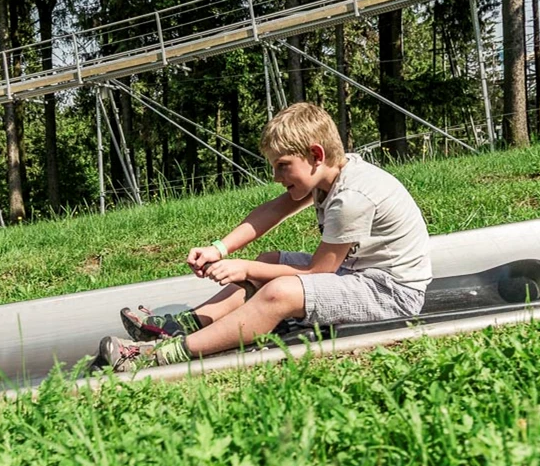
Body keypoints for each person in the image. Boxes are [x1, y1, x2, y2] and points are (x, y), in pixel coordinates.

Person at [97, 101, 433, 372]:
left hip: (391, 293)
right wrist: (219, 248)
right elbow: (272, 211)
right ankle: (186, 323)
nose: (276, 176)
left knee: (279, 292)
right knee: (268, 261)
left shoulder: (353, 198)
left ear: (316, 155)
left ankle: (164, 354)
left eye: (283, 165)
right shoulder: (330, 174)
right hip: (358, 273)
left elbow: (319, 273)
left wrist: (244, 269)